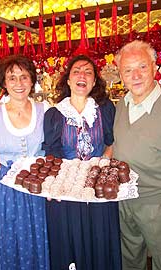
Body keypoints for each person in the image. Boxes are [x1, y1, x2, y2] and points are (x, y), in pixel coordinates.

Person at [42, 54, 122, 270]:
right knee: (70, 244)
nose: (82, 75)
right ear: (67, 80)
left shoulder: (105, 110)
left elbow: (111, 142)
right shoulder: (54, 114)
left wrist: (101, 167)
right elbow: (52, 153)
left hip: (98, 190)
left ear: (94, 81)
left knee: (100, 241)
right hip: (67, 190)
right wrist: (56, 185)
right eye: (77, 71)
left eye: (88, 72)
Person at [0, 55, 50, 270]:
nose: (18, 83)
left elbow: (53, 151)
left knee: (40, 236)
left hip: (39, 187)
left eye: (24, 77)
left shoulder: (45, 109)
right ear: (3, 82)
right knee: (10, 240)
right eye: (12, 78)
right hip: (7, 190)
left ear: (32, 80)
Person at [113, 40, 161, 270]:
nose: (136, 75)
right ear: (121, 75)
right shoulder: (121, 105)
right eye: (128, 70)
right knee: (130, 259)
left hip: (155, 202)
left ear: (154, 67)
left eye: (142, 67)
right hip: (124, 199)